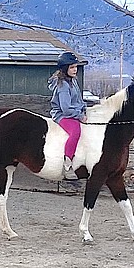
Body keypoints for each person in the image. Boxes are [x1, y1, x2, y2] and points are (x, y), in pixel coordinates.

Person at [48, 51, 88, 180]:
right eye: (72, 67)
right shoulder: (63, 85)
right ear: (65, 68)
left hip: (74, 112)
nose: (75, 69)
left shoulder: (73, 81)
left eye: (75, 66)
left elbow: (78, 100)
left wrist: (84, 109)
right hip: (62, 115)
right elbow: (65, 108)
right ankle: (67, 165)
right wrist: (79, 116)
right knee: (75, 131)